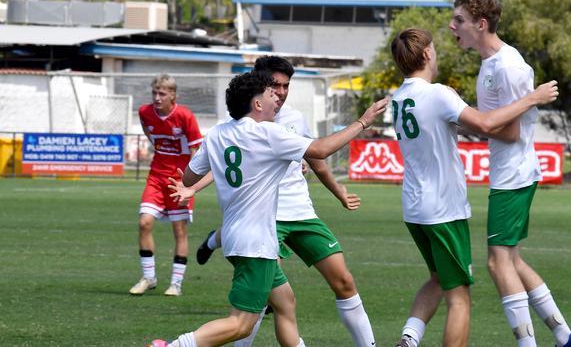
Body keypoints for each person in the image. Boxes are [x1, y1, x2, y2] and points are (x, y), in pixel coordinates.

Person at [147, 71, 387, 347]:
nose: (277, 98)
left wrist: (189, 185)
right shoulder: (268, 133)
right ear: (257, 103)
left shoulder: (217, 134)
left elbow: (189, 177)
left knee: (285, 302)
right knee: (241, 324)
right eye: (271, 94)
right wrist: (362, 122)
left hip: (236, 237)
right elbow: (320, 150)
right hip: (256, 243)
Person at [390, 28, 559, 347]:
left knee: (439, 279)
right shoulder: (438, 94)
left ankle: (409, 339)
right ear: (426, 54)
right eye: (434, 48)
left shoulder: (399, 99)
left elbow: (451, 127)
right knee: (459, 298)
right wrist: (532, 98)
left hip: (414, 208)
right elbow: (484, 124)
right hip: (442, 209)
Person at [449, 0, 571, 347]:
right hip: (513, 172)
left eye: (459, 20)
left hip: (512, 174)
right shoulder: (492, 62)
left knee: (497, 264)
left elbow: (508, 131)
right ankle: (566, 337)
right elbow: (499, 126)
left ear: (481, 24)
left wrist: (460, 123)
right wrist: (470, 124)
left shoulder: (507, 66)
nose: (452, 27)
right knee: (513, 261)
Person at [129, 74, 203, 297]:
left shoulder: (184, 116)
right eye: (154, 93)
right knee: (144, 222)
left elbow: (196, 151)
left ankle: (176, 283)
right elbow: (149, 132)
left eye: (162, 93)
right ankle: (149, 277)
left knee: (179, 230)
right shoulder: (145, 112)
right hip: (156, 176)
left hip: (179, 180)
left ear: (173, 95)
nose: (157, 97)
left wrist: (188, 181)